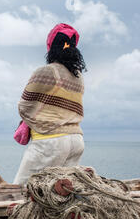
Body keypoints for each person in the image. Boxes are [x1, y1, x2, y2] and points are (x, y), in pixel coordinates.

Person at [13, 23, 87, 185]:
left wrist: (34, 121)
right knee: (59, 195)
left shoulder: (46, 71)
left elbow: (24, 105)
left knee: (21, 190)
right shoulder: (79, 77)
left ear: (51, 46)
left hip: (51, 141)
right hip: (76, 140)